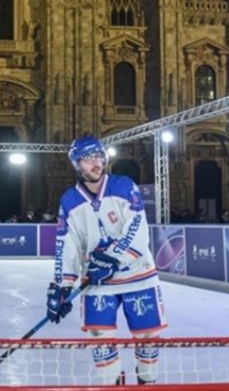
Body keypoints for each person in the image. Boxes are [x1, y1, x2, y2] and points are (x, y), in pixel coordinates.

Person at [46, 136, 166, 386]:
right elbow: (67, 244)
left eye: (99, 156)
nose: (96, 163)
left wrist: (113, 258)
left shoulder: (124, 186)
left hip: (137, 275)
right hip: (97, 281)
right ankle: (112, 384)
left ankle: (147, 382)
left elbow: (137, 227)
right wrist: (62, 285)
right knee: (99, 337)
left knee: (147, 337)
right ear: (77, 164)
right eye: (88, 159)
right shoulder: (69, 200)